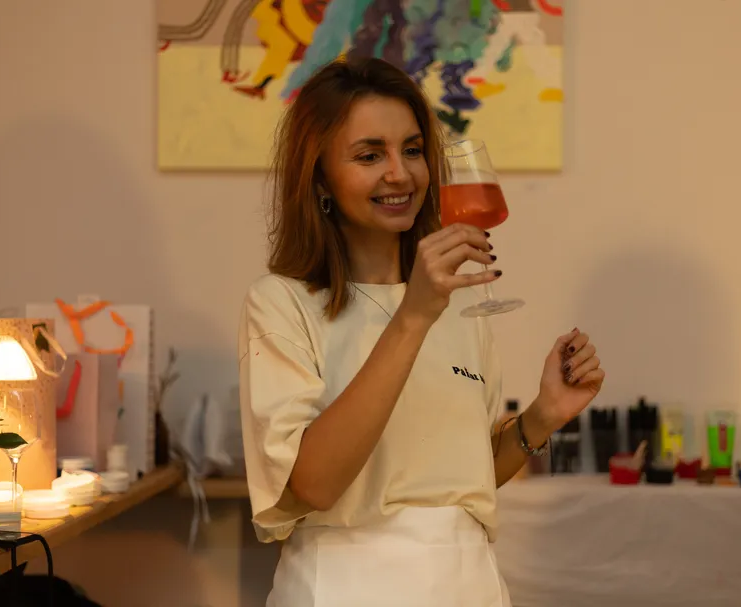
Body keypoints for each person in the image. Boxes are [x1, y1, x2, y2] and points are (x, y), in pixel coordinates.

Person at [238, 56, 605, 607]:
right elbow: (313, 484)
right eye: (369, 155)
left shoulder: (457, 302)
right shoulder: (280, 303)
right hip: (345, 586)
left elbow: (463, 475)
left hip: (468, 582)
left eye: (412, 150)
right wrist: (413, 316)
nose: (400, 173)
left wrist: (543, 415)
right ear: (319, 177)